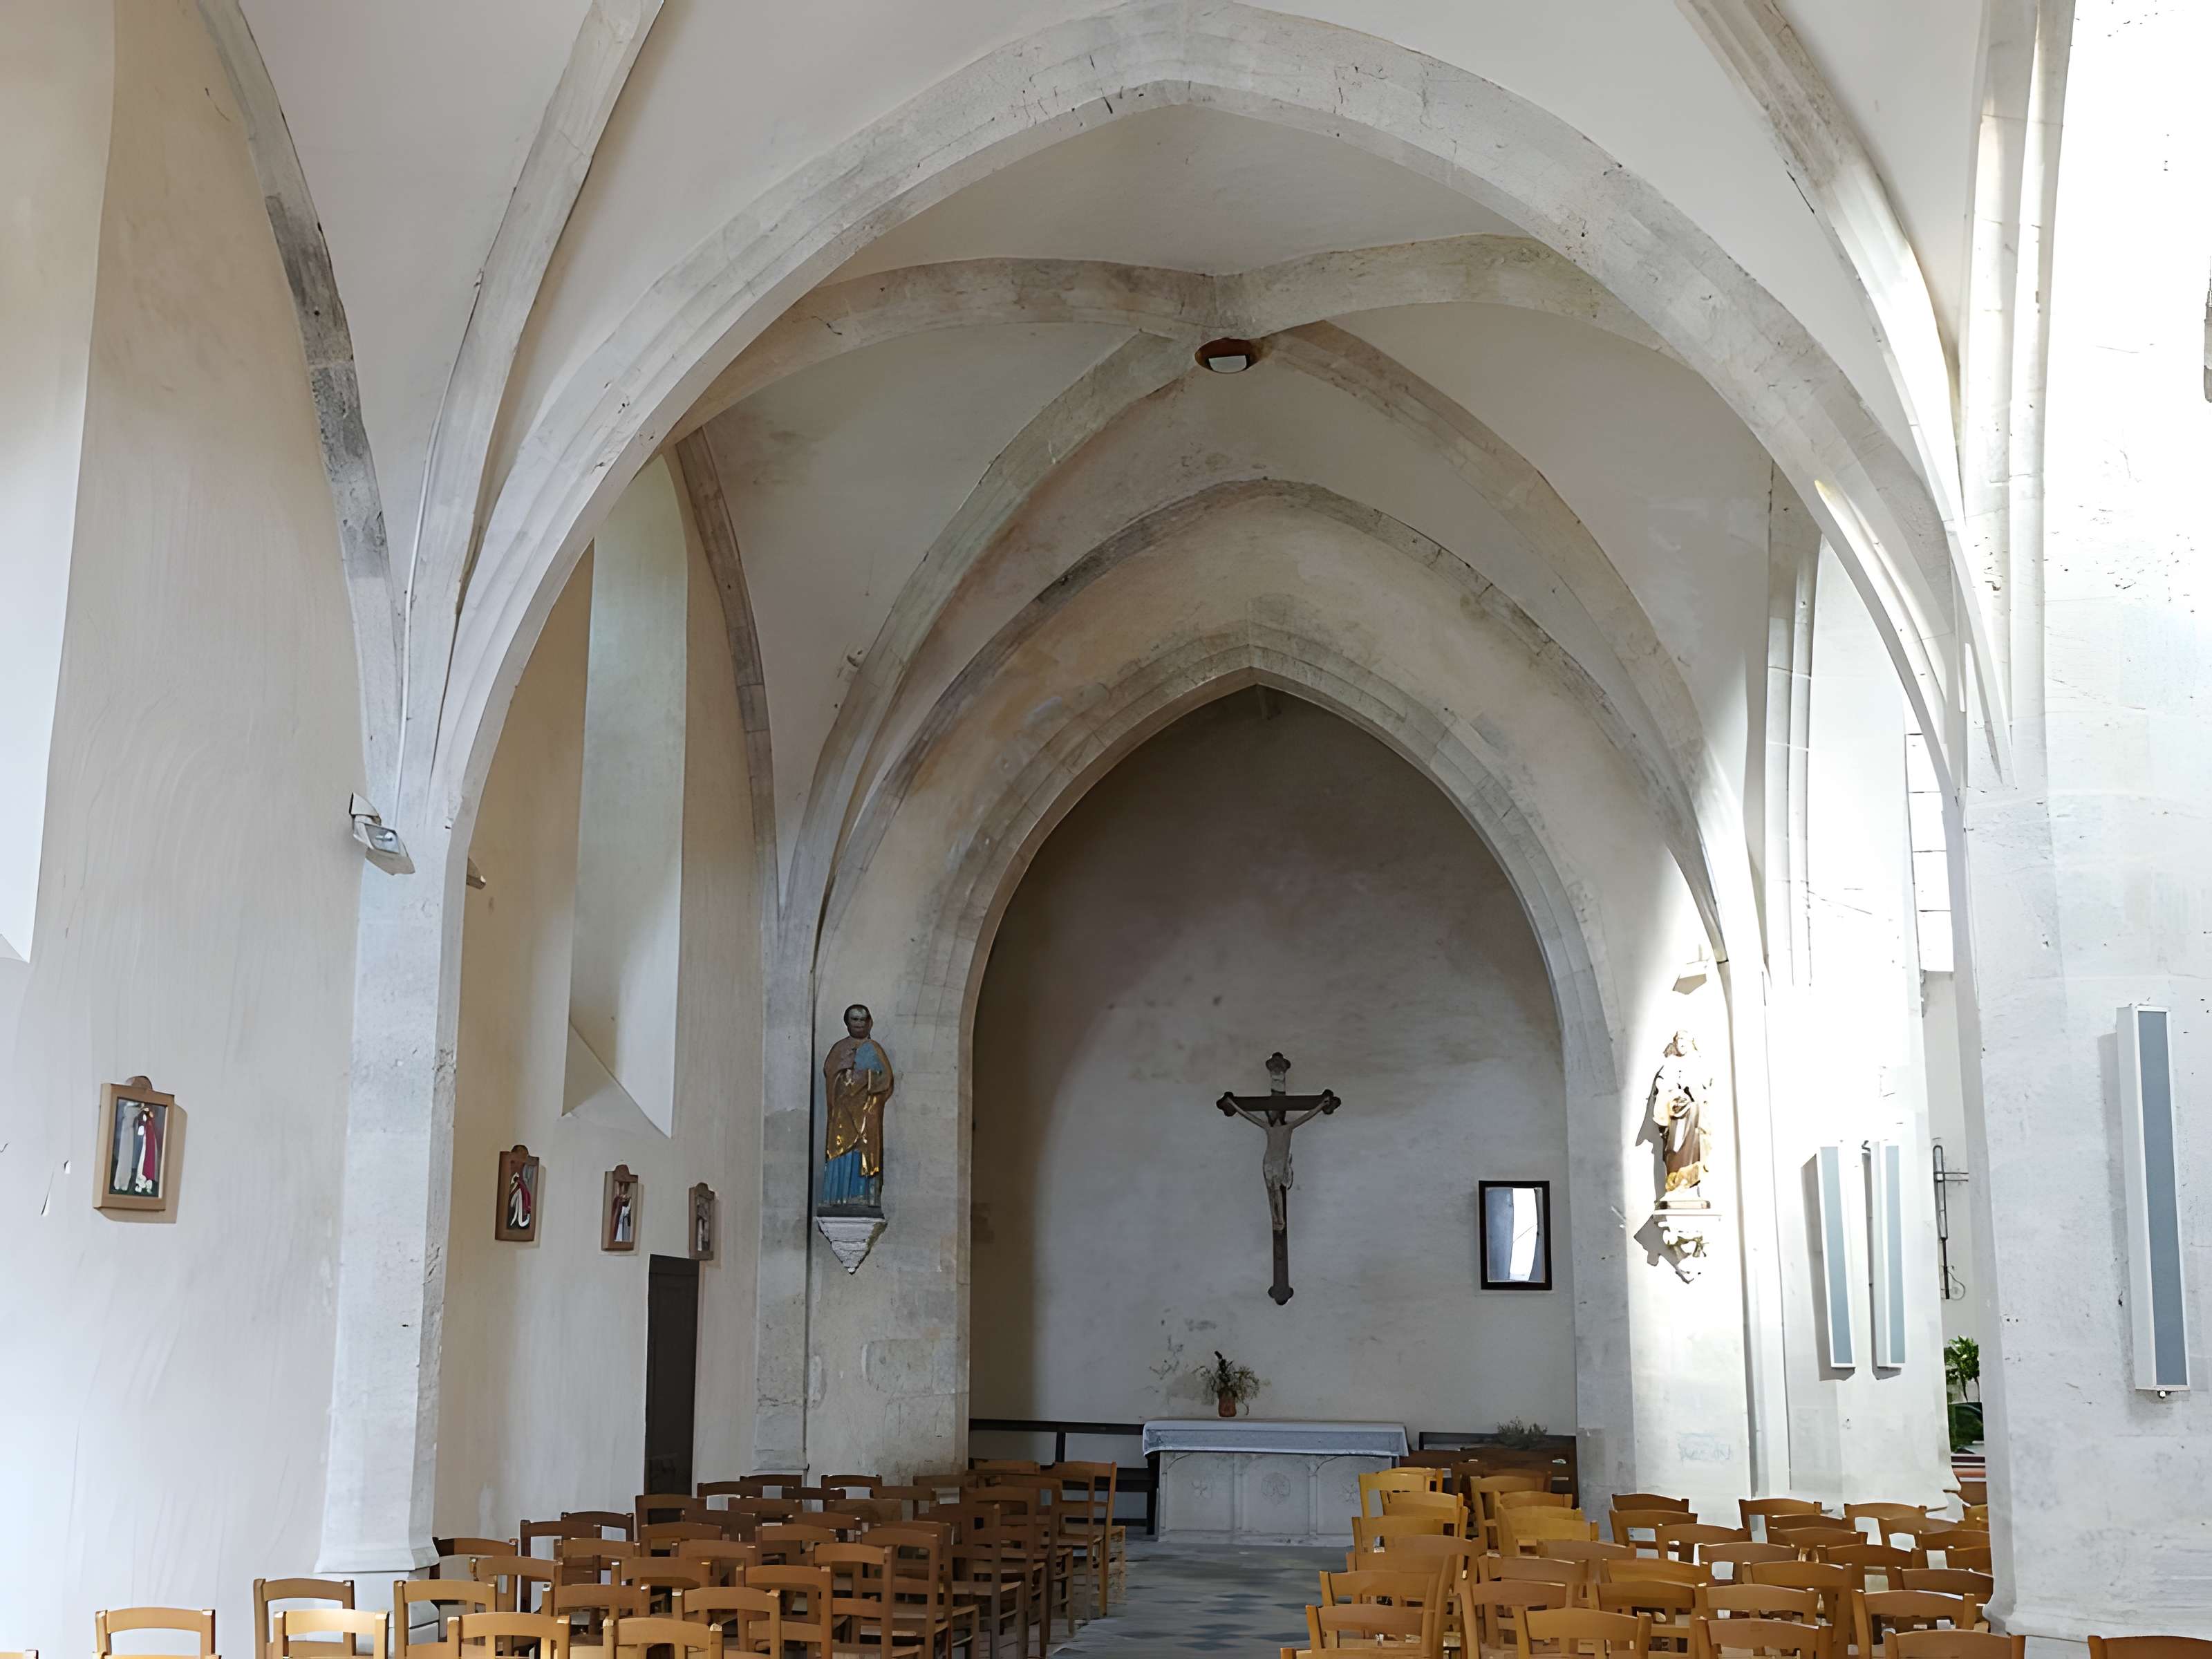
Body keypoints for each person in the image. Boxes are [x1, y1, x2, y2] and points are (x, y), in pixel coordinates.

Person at [818, 1004, 894, 1212]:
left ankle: (863, 1196)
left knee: (866, 1152)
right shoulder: (839, 1049)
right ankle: (839, 1197)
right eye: (854, 1019)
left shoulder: (875, 1049)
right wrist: (845, 1075)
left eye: (863, 1019)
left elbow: (886, 1079)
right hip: (843, 1114)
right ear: (847, 1023)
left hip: (867, 1114)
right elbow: (830, 1072)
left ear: (869, 1022)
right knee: (840, 1152)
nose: (859, 1024)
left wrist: (867, 1079)